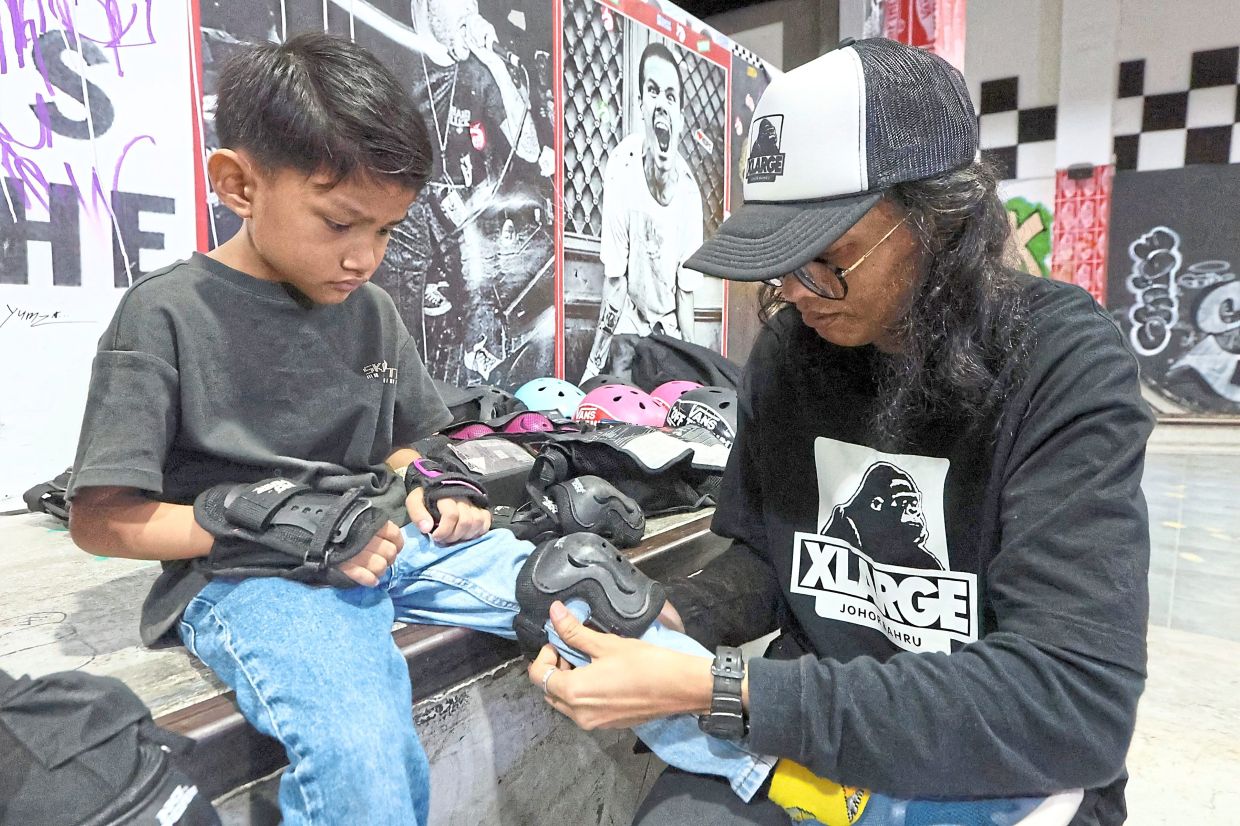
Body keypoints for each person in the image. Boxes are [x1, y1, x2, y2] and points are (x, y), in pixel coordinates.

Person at [61, 31, 781, 825]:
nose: (364, 257)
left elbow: (411, 447)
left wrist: (436, 487)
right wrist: (260, 522)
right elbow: (103, 521)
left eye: (384, 231)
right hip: (255, 577)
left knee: (595, 601)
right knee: (362, 751)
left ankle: (797, 791)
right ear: (238, 184)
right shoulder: (165, 313)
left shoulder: (366, 309)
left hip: (389, 541)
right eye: (340, 224)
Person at [528, 37, 1152, 826]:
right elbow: (769, 552)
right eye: (779, 262)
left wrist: (724, 690)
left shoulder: (1062, 366)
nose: (795, 291)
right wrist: (663, 617)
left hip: (999, 771)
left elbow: (1069, 702)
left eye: (828, 257)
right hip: (814, 740)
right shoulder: (793, 353)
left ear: (940, 221)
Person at [583, 41, 706, 381]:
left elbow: (685, 290)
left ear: (680, 115)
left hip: (668, 331)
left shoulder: (690, 195)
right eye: (653, 91)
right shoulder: (622, 167)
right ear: (640, 104)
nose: (662, 105)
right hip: (627, 322)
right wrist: (593, 365)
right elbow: (615, 279)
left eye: (671, 95)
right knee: (617, 412)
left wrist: (693, 362)